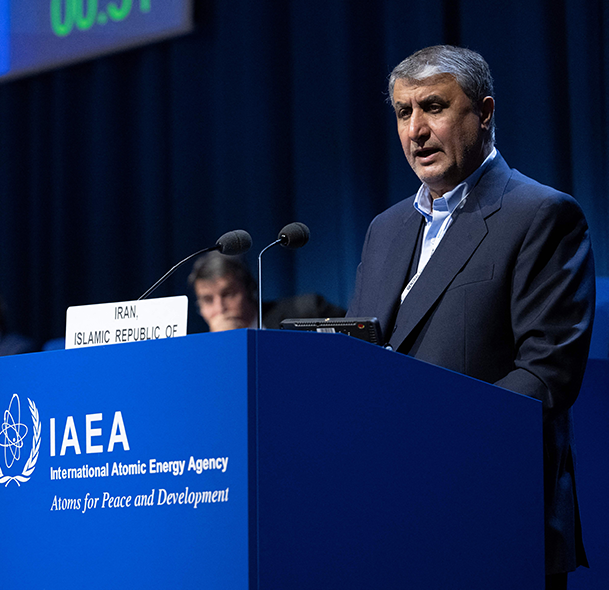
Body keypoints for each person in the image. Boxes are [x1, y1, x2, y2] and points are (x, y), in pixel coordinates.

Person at [347, 45, 595, 588]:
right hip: (386, 518)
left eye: (433, 107)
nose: (415, 130)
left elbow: (546, 375)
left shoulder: (541, 215)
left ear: (483, 112)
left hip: (491, 512)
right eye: (403, 112)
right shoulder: (384, 230)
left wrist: (435, 443)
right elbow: (359, 363)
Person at [188, 251, 344, 332]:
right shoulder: (200, 354)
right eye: (208, 300)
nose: (220, 308)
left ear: (249, 289)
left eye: (228, 294)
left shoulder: (308, 311)